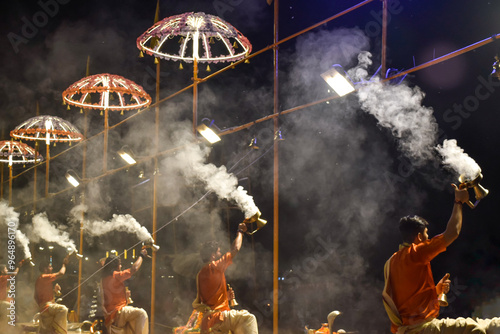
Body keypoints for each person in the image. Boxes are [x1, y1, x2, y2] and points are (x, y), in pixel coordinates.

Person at [382, 184, 500, 334]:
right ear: (419, 237)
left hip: (406, 331)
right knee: (480, 329)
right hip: (423, 329)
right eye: (426, 234)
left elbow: (408, 304)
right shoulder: (416, 253)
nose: (428, 238)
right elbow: (452, 232)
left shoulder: (391, 262)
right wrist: (458, 202)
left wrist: (435, 291)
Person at [192, 221, 258, 334]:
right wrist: (240, 232)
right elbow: (235, 249)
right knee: (249, 318)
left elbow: (207, 301)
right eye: (218, 252)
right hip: (219, 318)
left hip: (208, 321)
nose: (220, 254)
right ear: (212, 255)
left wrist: (225, 298)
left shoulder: (200, 274)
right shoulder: (214, 267)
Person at [101, 248, 149, 334]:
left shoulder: (104, 279)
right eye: (119, 264)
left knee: (134, 317)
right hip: (117, 312)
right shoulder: (115, 275)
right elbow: (134, 269)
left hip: (111, 315)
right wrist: (141, 255)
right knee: (141, 313)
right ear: (114, 266)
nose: (120, 266)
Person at [34, 255, 70, 334]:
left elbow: (42, 295)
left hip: (45, 307)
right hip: (46, 307)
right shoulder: (43, 277)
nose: (52, 268)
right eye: (50, 267)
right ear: (45, 269)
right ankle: (56, 331)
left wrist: (54, 291)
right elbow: (61, 273)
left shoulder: (42, 279)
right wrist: (64, 264)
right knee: (63, 309)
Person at [0, 263, 21, 332]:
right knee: (9, 306)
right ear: (2, 271)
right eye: (6, 269)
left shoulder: (3, 279)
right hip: (1, 303)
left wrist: (9, 288)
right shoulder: (2, 277)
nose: (7, 270)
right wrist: (18, 266)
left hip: (2, 303)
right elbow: (14, 274)